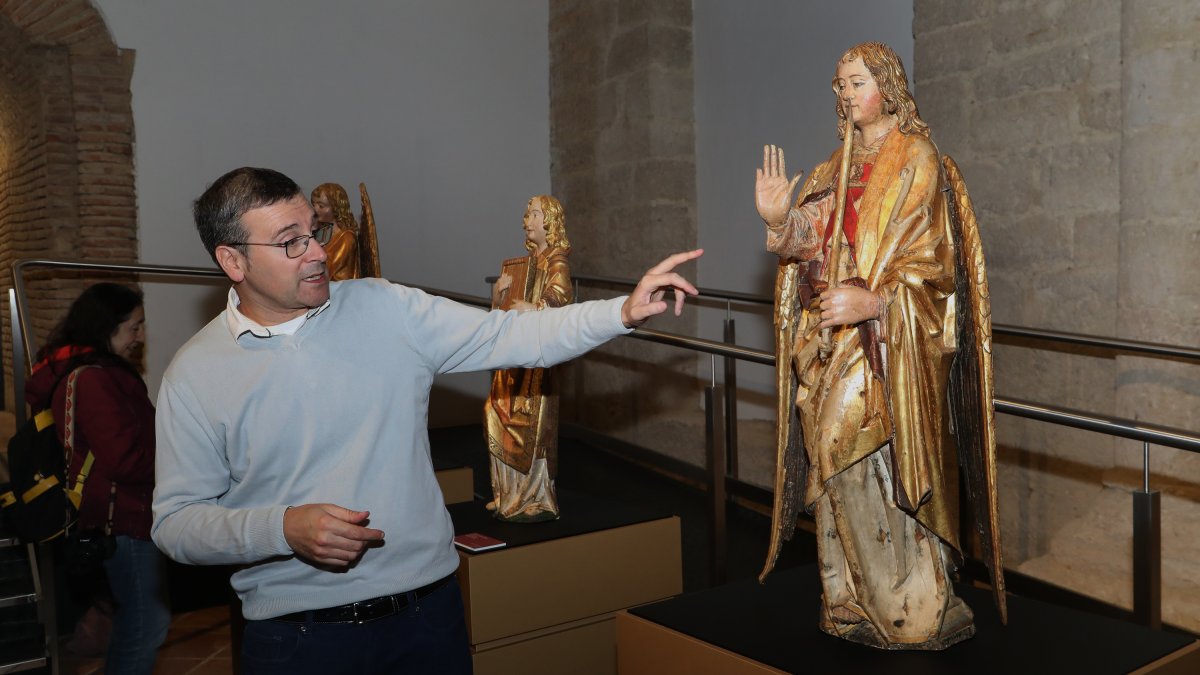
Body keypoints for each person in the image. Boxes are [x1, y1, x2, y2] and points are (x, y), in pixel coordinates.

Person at [151, 167, 701, 674]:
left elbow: (512, 335)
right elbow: (176, 525)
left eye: (314, 231)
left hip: (427, 617)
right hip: (298, 639)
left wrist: (621, 312)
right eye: (290, 242)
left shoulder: (387, 309)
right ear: (233, 261)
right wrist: (283, 528)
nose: (317, 252)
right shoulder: (196, 374)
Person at [755, 42, 999, 650]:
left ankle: (908, 601)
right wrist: (780, 221)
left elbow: (934, 265)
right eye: (838, 84)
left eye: (855, 81)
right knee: (832, 461)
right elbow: (815, 234)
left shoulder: (916, 158)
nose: (844, 93)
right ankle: (852, 597)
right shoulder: (834, 164)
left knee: (855, 447)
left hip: (888, 345)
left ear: (887, 86)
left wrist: (877, 302)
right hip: (830, 342)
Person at [26, 283, 169, 674]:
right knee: (145, 624)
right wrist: (180, 464)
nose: (140, 337)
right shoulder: (94, 380)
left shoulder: (93, 373)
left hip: (117, 516)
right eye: (133, 327)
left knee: (136, 620)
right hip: (122, 517)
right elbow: (123, 460)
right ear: (106, 327)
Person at [484, 195, 572, 521]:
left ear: (549, 220)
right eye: (526, 214)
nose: (527, 220)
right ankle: (507, 491)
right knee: (493, 412)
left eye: (533, 214)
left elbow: (559, 298)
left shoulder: (556, 262)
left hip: (537, 361)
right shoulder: (524, 264)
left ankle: (533, 495)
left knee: (534, 430)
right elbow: (503, 310)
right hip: (514, 359)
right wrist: (499, 297)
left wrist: (533, 309)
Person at [311, 182, 360, 281]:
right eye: (313, 204)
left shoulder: (347, 238)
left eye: (321, 206)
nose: (315, 210)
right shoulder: (323, 230)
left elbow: (330, 266)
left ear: (336, 208)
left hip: (339, 288)